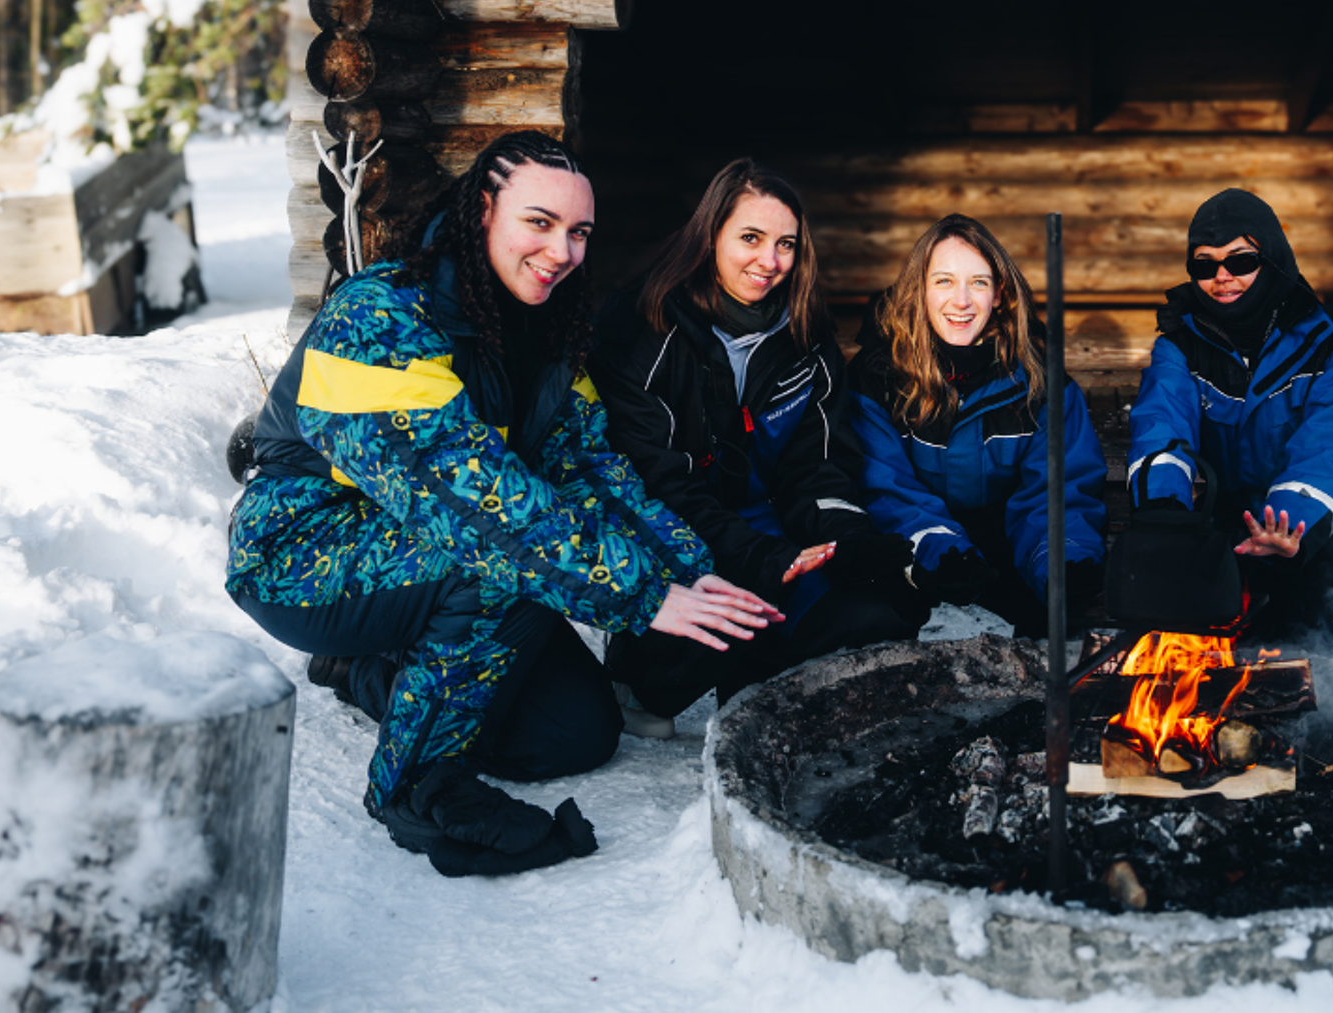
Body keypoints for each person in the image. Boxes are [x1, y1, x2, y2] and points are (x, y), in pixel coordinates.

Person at [227, 131, 780, 877]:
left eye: (579, 232)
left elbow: (591, 471)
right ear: (483, 209)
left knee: (577, 735)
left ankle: (364, 668)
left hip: (432, 555)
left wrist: (687, 568)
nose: (562, 250)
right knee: (499, 560)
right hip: (298, 553)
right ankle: (414, 782)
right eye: (540, 222)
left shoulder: (546, 335)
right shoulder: (380, 315)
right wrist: (641, 592)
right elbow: (473, 507)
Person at [591, 158, 922, 725]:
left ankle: (757, 696)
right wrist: (760, 557)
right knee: (745, 596)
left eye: (786, 244)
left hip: (767, 525)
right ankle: (641, 676)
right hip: (671, 531)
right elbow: (652, 482)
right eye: (751, 238)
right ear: (710, 235)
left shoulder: (804, 334)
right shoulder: (644, 327)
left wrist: (847, 535)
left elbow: (818, 465)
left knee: (882, 604)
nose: (770, 263)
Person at [1125, 187, 1333, 657]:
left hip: (1305, 532)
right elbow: (1162, 420)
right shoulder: (1181, 342)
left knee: (1307, 663)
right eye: (1204, 265)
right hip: (1229, 524)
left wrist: (1288, 522)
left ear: (1272, 259)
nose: (1222, 277)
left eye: (1241, 261)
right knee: (1205, 661)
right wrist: (1164, 506)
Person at [848, 213, 1108, 635]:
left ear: (1000, 295)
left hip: (1008, 564)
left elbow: (1057, 490)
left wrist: (1061, 558)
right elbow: (886, 489)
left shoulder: (1040, 381)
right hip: (915, 561)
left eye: (979, 283)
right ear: (920, 291)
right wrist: (939, 550)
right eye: (944, 281)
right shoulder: (878, 378)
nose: (962, 301)